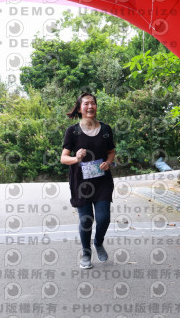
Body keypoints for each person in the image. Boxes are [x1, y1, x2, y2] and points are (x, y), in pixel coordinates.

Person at [61, 93, 116, 269]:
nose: (90, 106)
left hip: (102, 181)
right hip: (81, 182)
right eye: (86, 104)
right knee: (86, 220)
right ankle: (86, 252)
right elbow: (63, 158)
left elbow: (111, 152)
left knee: (103, 218)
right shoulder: (73, 131)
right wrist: (76, 158)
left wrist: (108, 162)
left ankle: (98, 242)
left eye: (93, 103)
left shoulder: (106, 129)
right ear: (79, 108)